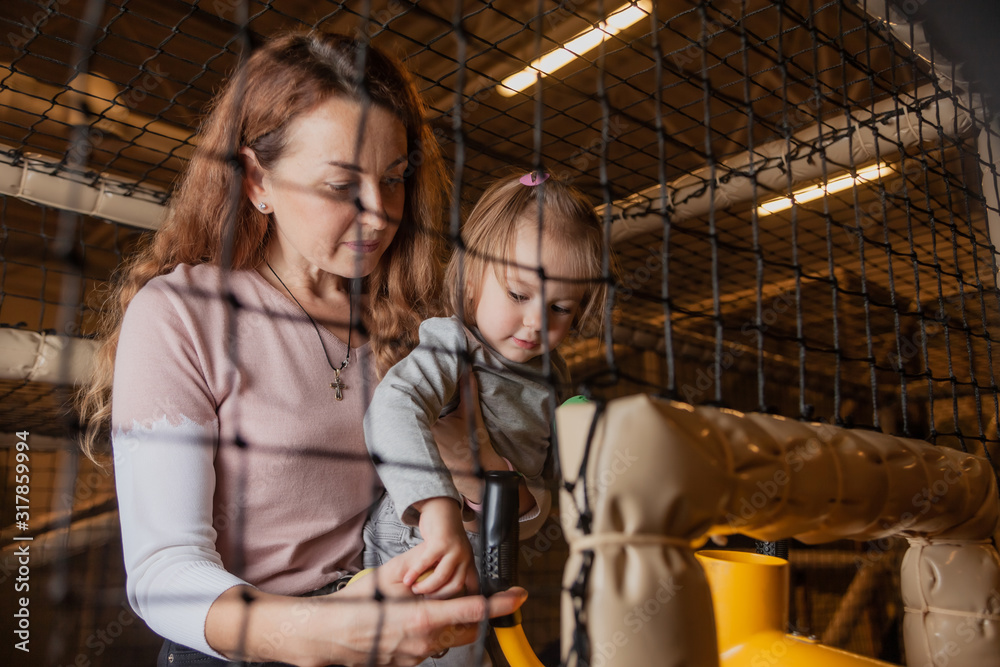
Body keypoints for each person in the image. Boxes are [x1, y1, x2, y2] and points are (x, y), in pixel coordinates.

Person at [76, 31, 525, 667]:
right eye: (341, 186)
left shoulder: (412, 322)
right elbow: (164, 574)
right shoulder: (184, 314)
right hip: (248, 646)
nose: (378, 216)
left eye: (394, 180)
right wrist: (321, 630)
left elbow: (508, 509)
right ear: (257, 179)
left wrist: (480, 477)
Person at [362, 171, 609, 663]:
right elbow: (393, 406)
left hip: (493, 542)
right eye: (519, 296)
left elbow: (539, 494)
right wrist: (438, 514)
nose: (537, 322)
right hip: (419, 535)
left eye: (560, 307)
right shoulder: (454, 345)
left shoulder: (550, 375)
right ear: (473, 278)